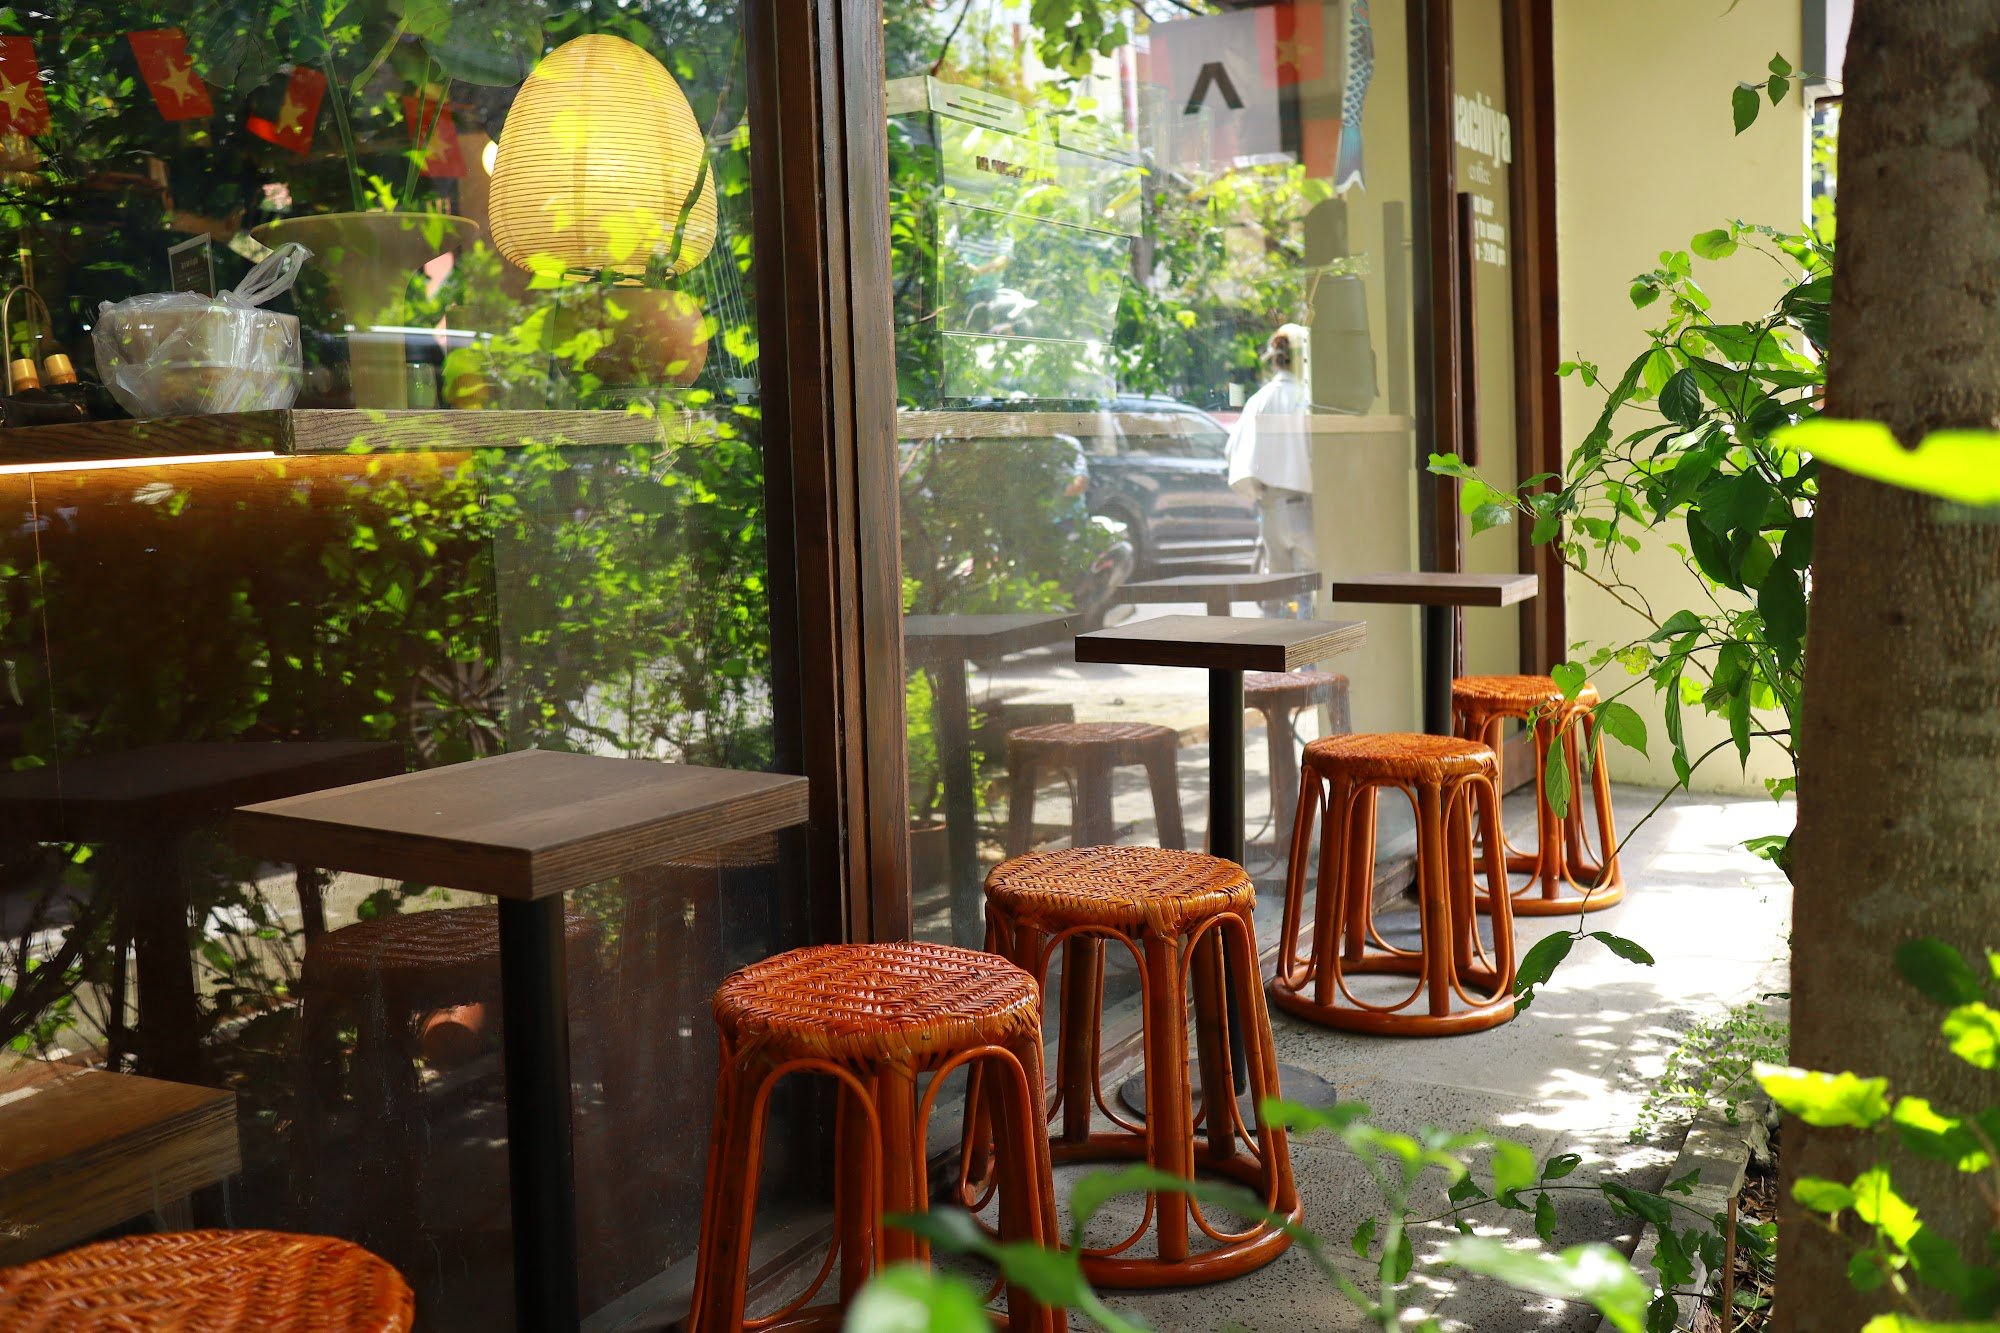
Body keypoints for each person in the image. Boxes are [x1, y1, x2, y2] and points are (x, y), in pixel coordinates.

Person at [1226, 323, 1317, 616]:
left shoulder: (1259, 400)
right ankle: (1311, 663)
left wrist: (1259, 494)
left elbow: (1234, 454)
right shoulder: (1307, 398)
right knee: (1309, 598)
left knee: (1278, 598)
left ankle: (1281, 662)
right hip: (1306, 507)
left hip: (1271, 508)